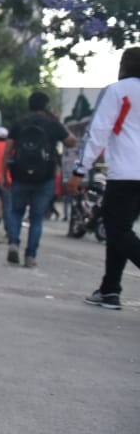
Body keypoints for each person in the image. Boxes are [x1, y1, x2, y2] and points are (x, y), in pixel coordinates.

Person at [66, 47, 140, 310]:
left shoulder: (118, 91)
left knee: (117, 230)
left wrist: (78, 171)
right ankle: (110, 290)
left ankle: (110, 289)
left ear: (123, 66)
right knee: (121, 231)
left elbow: (97, 133)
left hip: (126, 174)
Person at [2, 91, 77, 268]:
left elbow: (7, 152)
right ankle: (30, 256)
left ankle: (13, 243)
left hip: (19, 176)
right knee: (36, 218)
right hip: (45, 178)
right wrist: (57, 121)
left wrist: (3, 174)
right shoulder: (52, 125)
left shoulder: (19, 124)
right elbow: (72, 142)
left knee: (16, 213)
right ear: (47, 107)